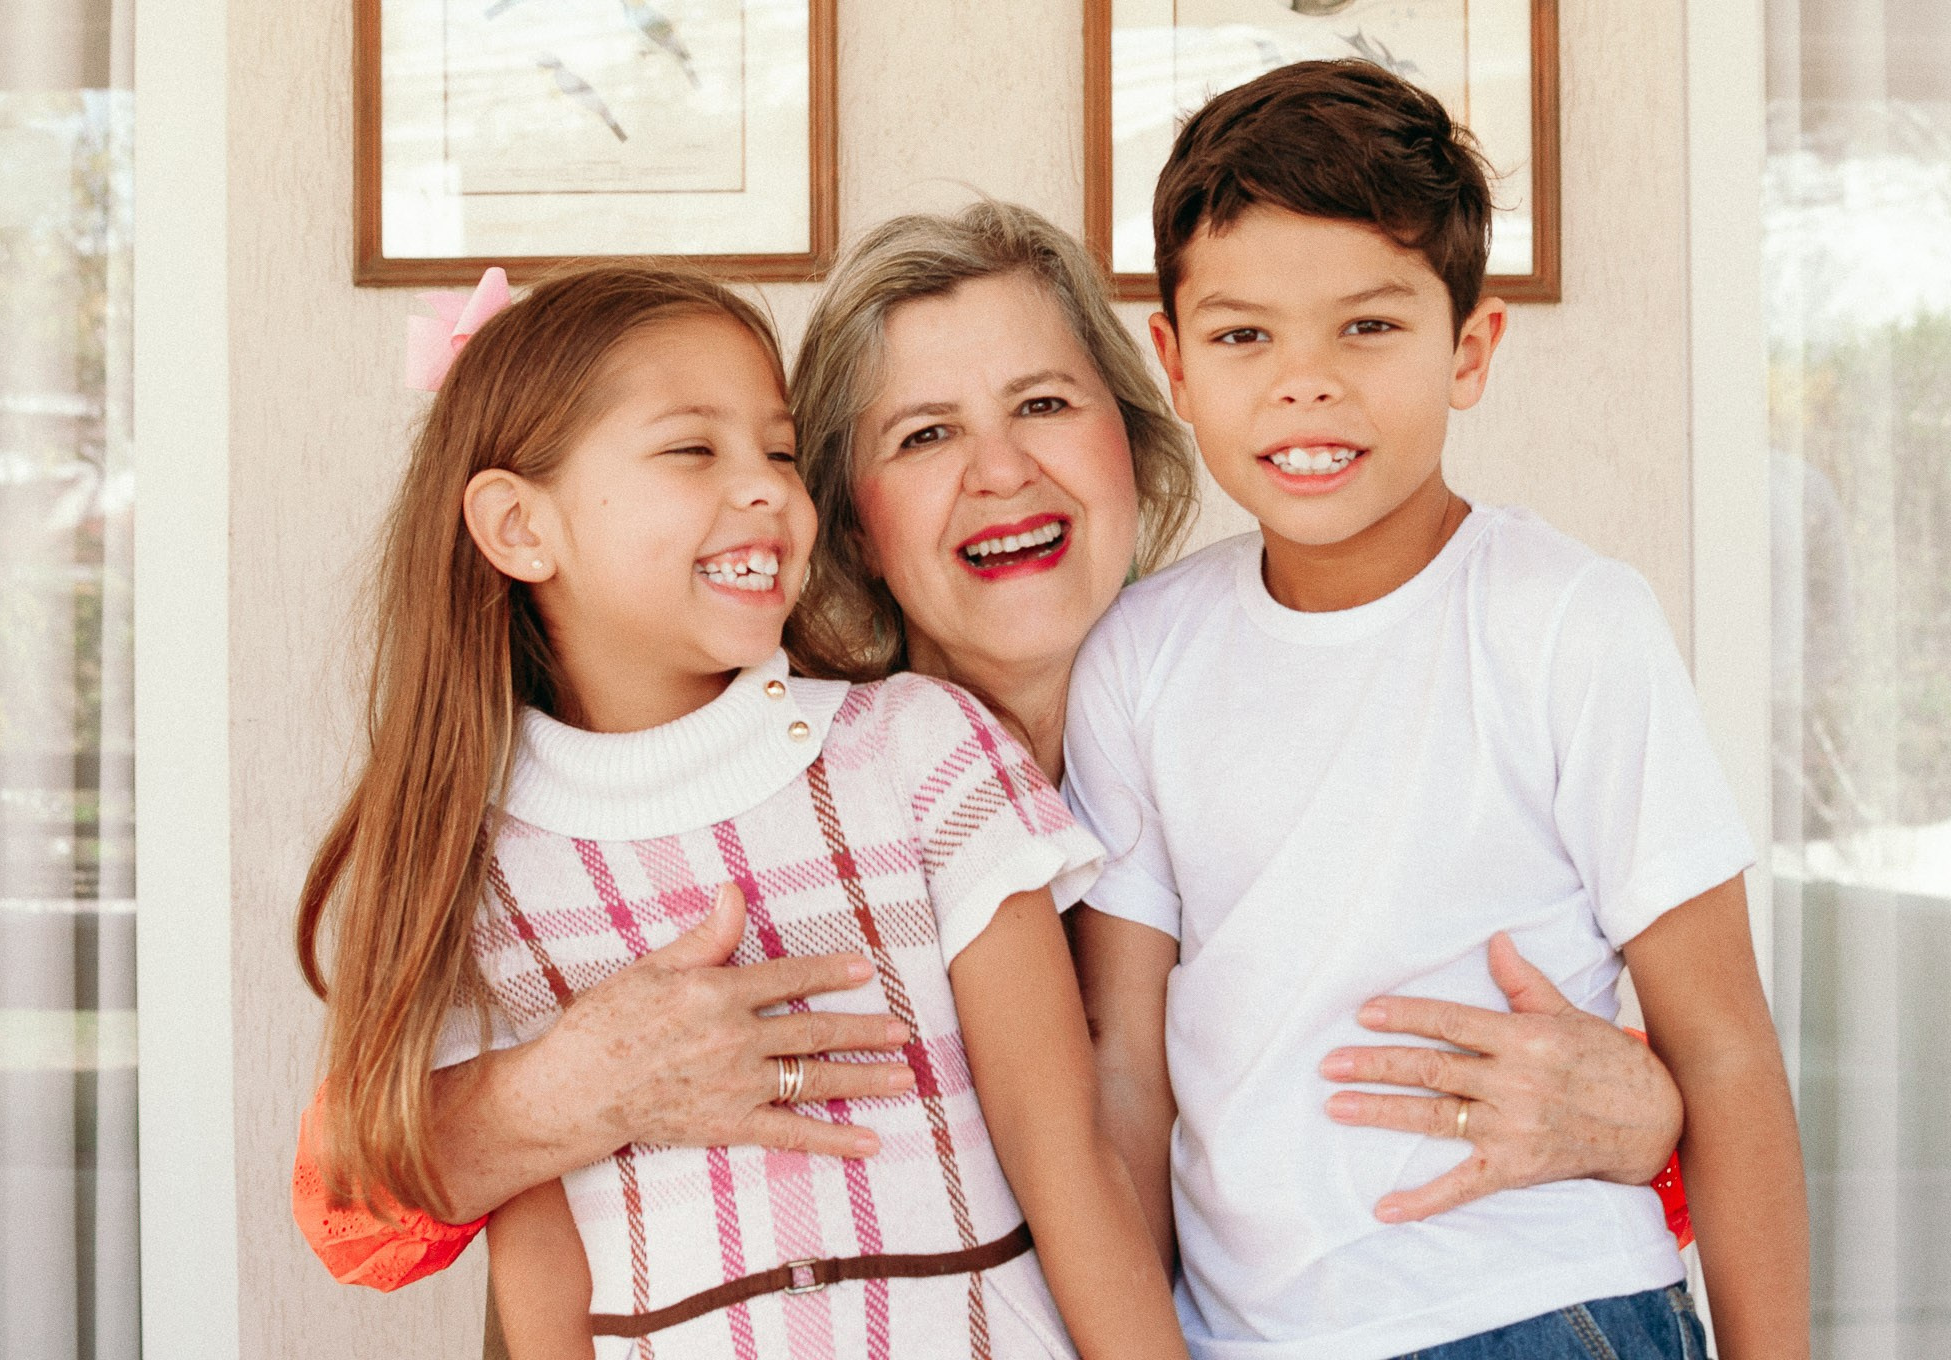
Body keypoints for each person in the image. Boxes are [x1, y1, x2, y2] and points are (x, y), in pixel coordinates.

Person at [290, 206, 1691, 1304]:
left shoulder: (1315, 725)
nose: (1001, 471)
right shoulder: (786, 807)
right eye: (923, 434)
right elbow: (348, 1215)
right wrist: (563, 1091)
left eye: (1041, 405)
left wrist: (1656, 1124)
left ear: (1142, 444)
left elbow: (1470, 1061)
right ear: (837, 513)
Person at [296, 260, 1189, 1359]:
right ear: (519, 528)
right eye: (691, 448)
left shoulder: (916, 747)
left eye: (777, 449)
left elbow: (1069, 1166)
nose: (767, 485)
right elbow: (535, 1273)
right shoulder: (471, 872)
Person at [1064, 60, 1809, 1360]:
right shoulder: (1140, 655)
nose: (1306, 382)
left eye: (1368, 327)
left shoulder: (1570, 621)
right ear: (1174, 364)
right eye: (1247, 335)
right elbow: (1124, 1069)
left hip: (1539, 1308)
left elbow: (1728, 1045)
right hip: (1244, 1335)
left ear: (1470, 348)